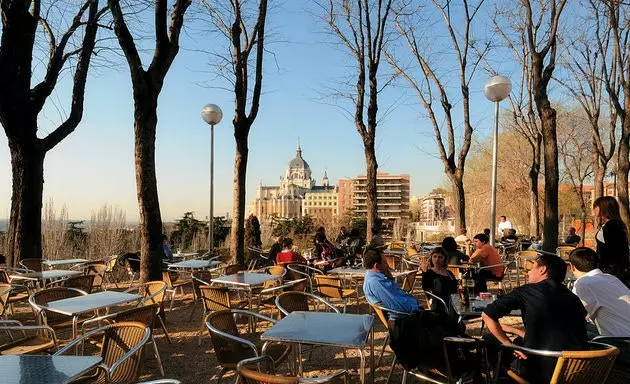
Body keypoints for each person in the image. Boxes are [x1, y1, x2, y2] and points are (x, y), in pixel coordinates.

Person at [482, 254, 588, 383]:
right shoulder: (573, 298)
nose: (528, 273)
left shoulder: (526, 291)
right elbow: (558, 333)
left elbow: (487, 315)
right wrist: (516, 331)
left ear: (542, 270)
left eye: (532, 269)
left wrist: (508, 344)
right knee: (519, 340)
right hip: (575, 371)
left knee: (491, 339)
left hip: (541, 370)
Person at [568, 247, 630, 337]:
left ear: (572, 267)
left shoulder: (584, 282)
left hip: (621, 342)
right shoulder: (611, 278)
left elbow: (571, 314)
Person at [363, 247, 419, 319]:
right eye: (385, 263)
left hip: (406, 316)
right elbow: (400, 306)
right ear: (376, 266)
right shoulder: (376, 283)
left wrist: (389, 277)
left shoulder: (374, 277)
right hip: (404, 319)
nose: (387, 266)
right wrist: (415, 305)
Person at [592, 196, 629, 280]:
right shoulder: (611, 224)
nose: (593, 209)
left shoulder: (612, 225)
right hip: (610, 269)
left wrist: (608, 269)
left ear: (603, 208)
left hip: (612, 271)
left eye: (595, 206)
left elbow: (615, 250)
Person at [421, 247, 458, 313]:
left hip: (454, 302)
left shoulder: (449, 273)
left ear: (444, 259)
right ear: (431, 258)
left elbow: (455, 288)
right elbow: (425, 287)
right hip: (439, 303)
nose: (437, 259)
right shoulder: (429, 273)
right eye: (434, 256)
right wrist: (424, 272)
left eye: (440, 257)